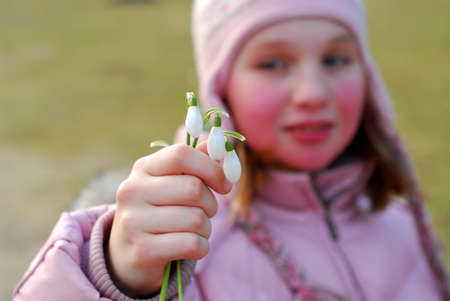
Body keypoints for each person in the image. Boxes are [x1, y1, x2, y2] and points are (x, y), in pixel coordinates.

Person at [13, 0, 450, 300]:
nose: (313, 93)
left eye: (336, 59)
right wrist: (118, 276)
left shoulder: (403, 226)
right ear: (221, 91)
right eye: (273, 63)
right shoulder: (188, 242)